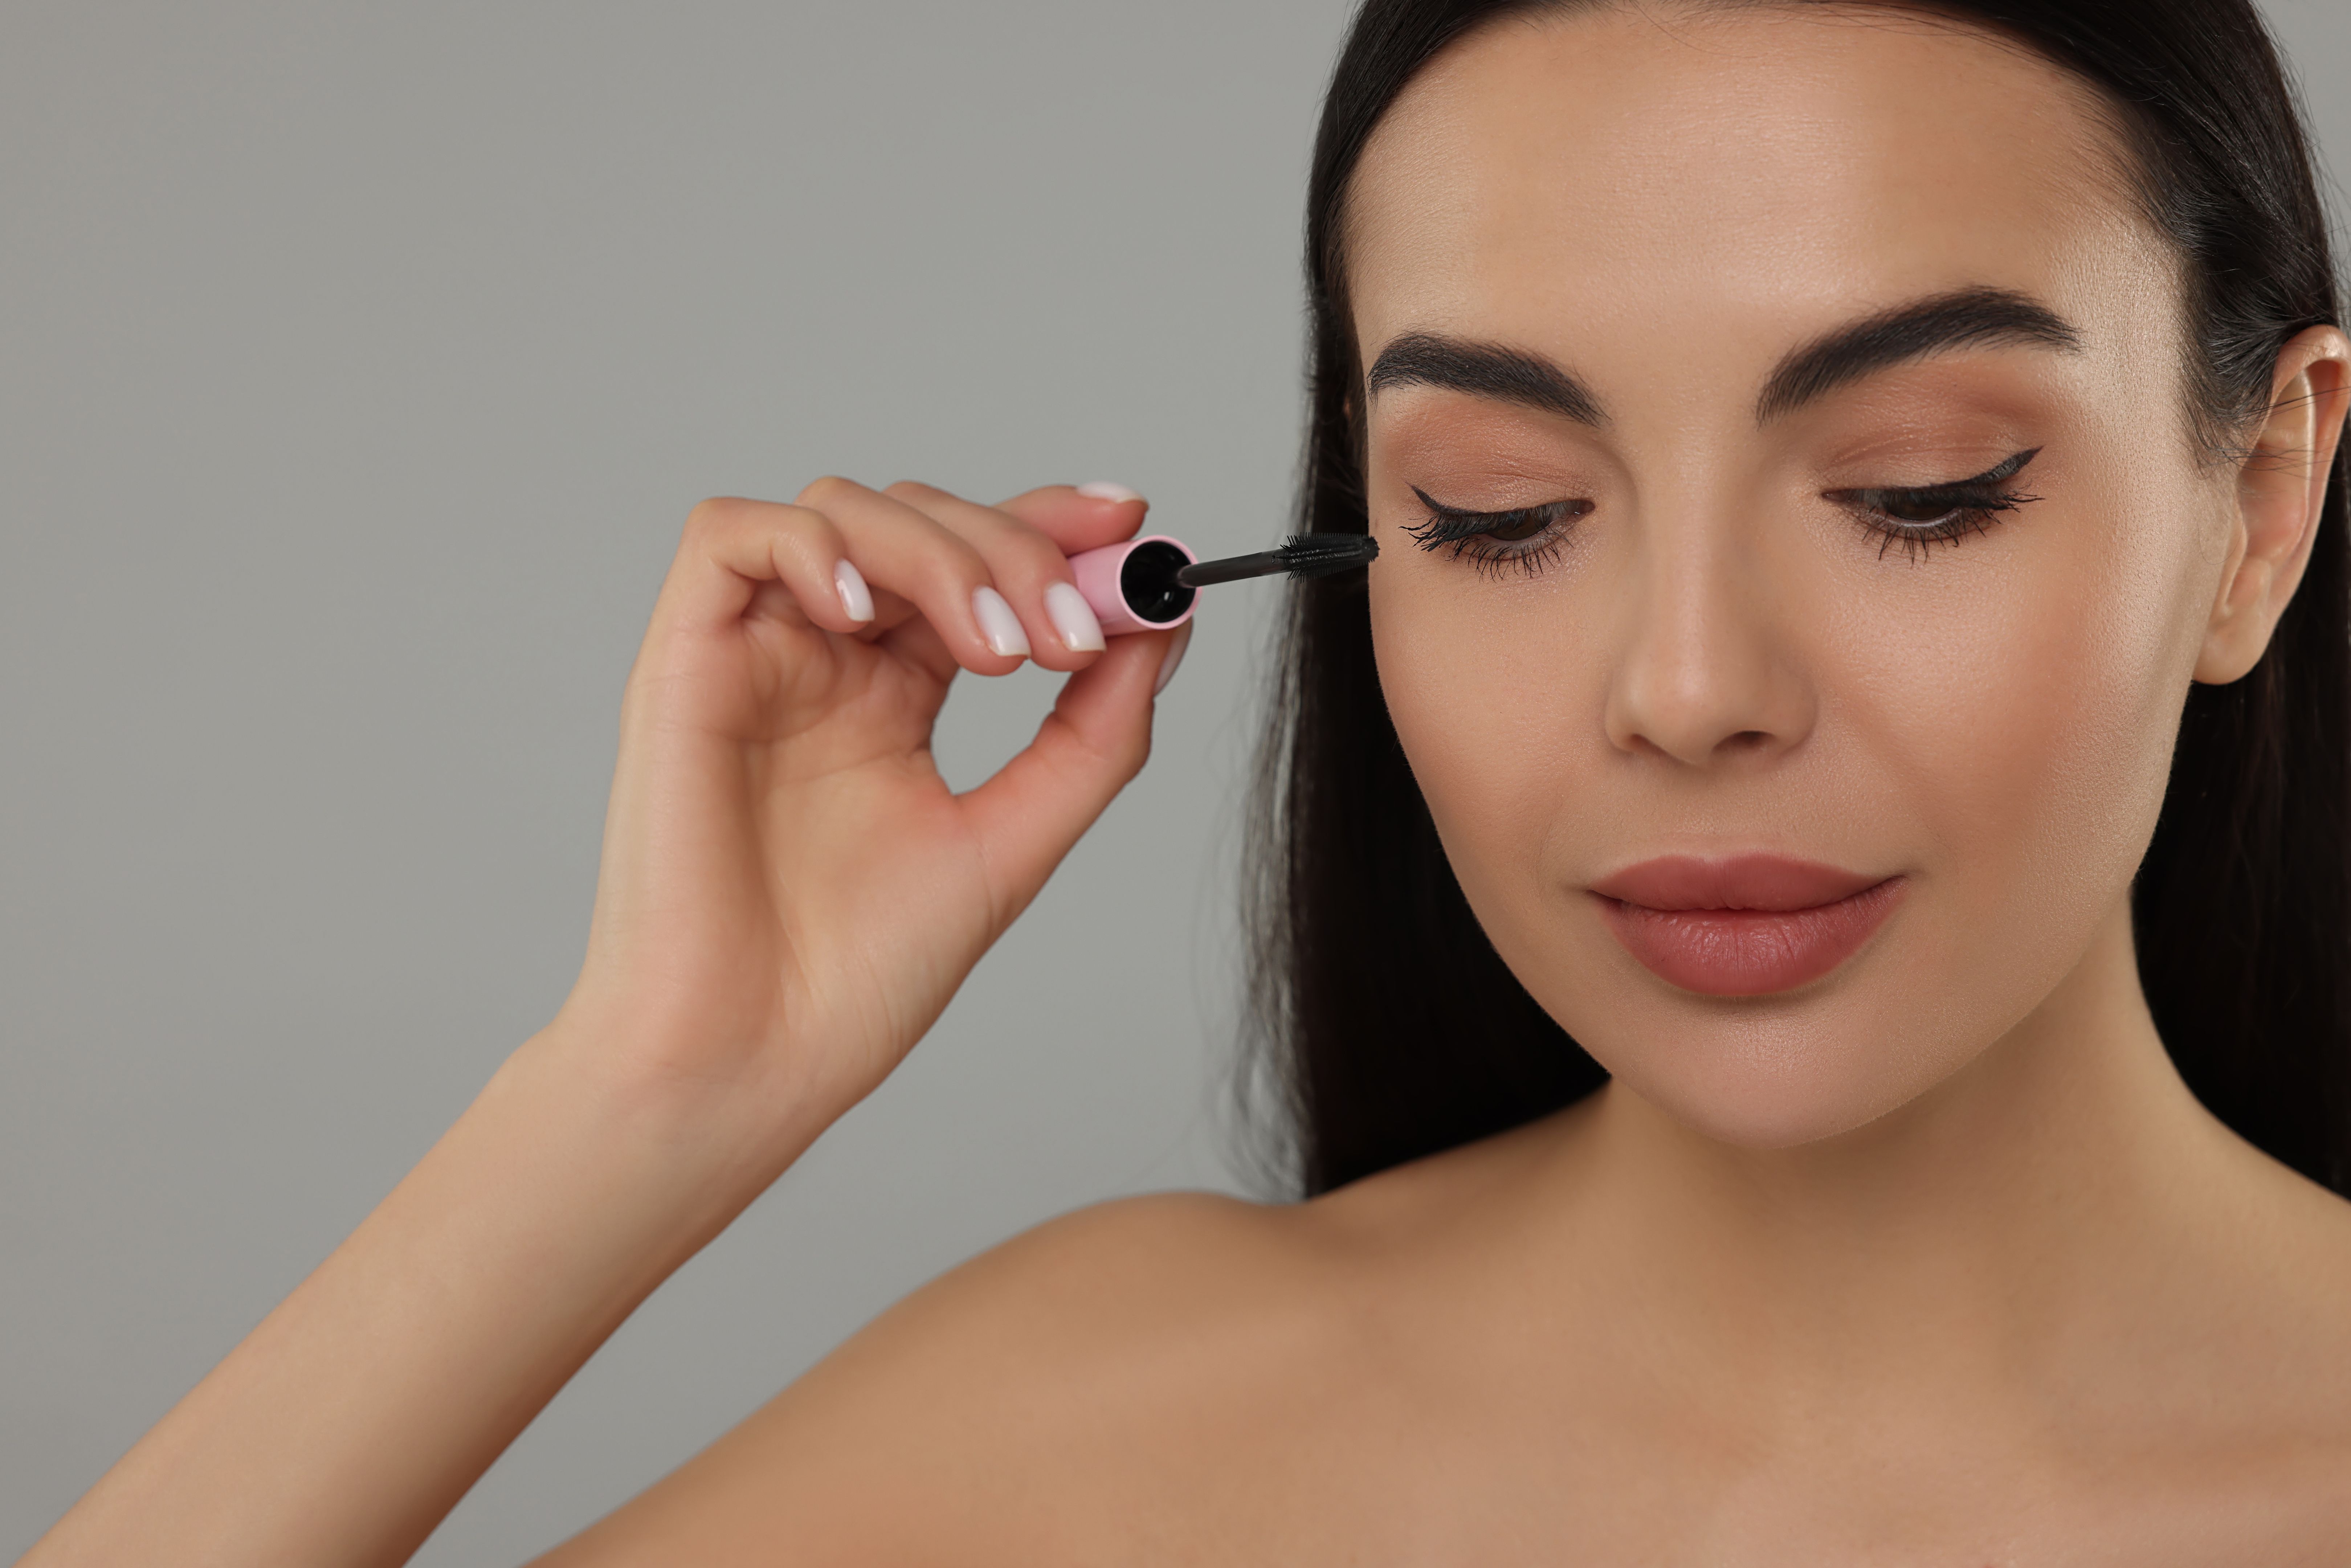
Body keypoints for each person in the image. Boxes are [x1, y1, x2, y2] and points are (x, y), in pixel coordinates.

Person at [27, 0, 2351, 1560]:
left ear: (2257, 505)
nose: (1687, 686)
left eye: (1920, 487)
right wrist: (645, 1085)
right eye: (1501, 514)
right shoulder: (1099, 1428)